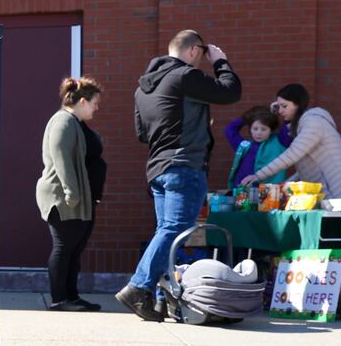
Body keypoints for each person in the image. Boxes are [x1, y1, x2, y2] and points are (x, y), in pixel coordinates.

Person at [116, 30, 241, 321]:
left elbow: (142, 133)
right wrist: (221, 62)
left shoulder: (142, 88)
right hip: (184, 165)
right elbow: (230, 92)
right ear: (195, 51)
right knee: (176, 228)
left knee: (167, 232)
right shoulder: (185, 76)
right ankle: (138, 286)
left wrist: (191, 121)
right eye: (204, 54)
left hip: (157, 168)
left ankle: (161, 299)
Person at [35, 76, 105, 311]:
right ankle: (58, 299)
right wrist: (71, 194)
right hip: (63, 197)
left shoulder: (75, 122)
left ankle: (71, 296)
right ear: (82, 101)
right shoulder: (63, 122)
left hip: (75, 197)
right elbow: (61, 158)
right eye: (94, 103)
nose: (96, 108)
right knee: (64, 247)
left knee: (74, 249)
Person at [241, 84, 341, 204]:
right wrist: (281, 187)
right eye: (279, 107)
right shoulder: (303, 125)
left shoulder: (314, 122)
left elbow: (292, 155)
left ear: (297, 104)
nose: (280, 111)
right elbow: (304, 171)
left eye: (284, 106)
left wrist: (258, 175)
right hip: (335, 197)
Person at [226, 105, 290, 188]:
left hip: (270, 193)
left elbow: (287, 128)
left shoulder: (279, 143)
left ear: (271, 130)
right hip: (243, 192)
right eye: (255, 129)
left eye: (263, 129)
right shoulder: (244, 146)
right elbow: (230, 129)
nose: (259, 133)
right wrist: (247, 117)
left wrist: (280, 110)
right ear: (250, 129)